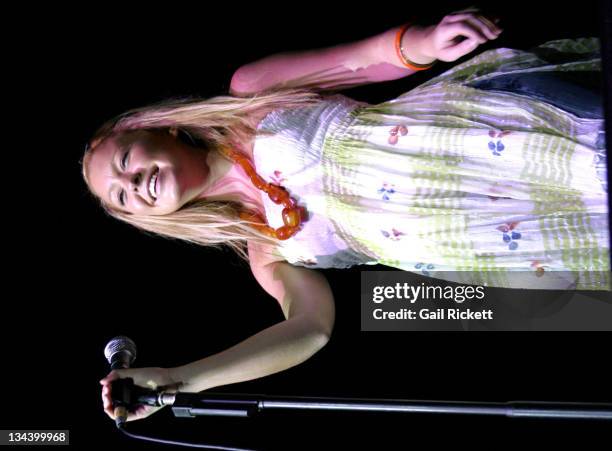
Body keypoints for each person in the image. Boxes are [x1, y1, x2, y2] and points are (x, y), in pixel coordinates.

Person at [89, 9, 609, 422]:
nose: (132, 184)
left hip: (484, 139)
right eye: (122, 196)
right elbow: (310, 329)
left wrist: (424, 42)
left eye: (125, 162)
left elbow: (362, 60)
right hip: (503, 236)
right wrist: (183, 379)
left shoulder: (251, 96)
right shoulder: (265, 246)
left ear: (156, 128)